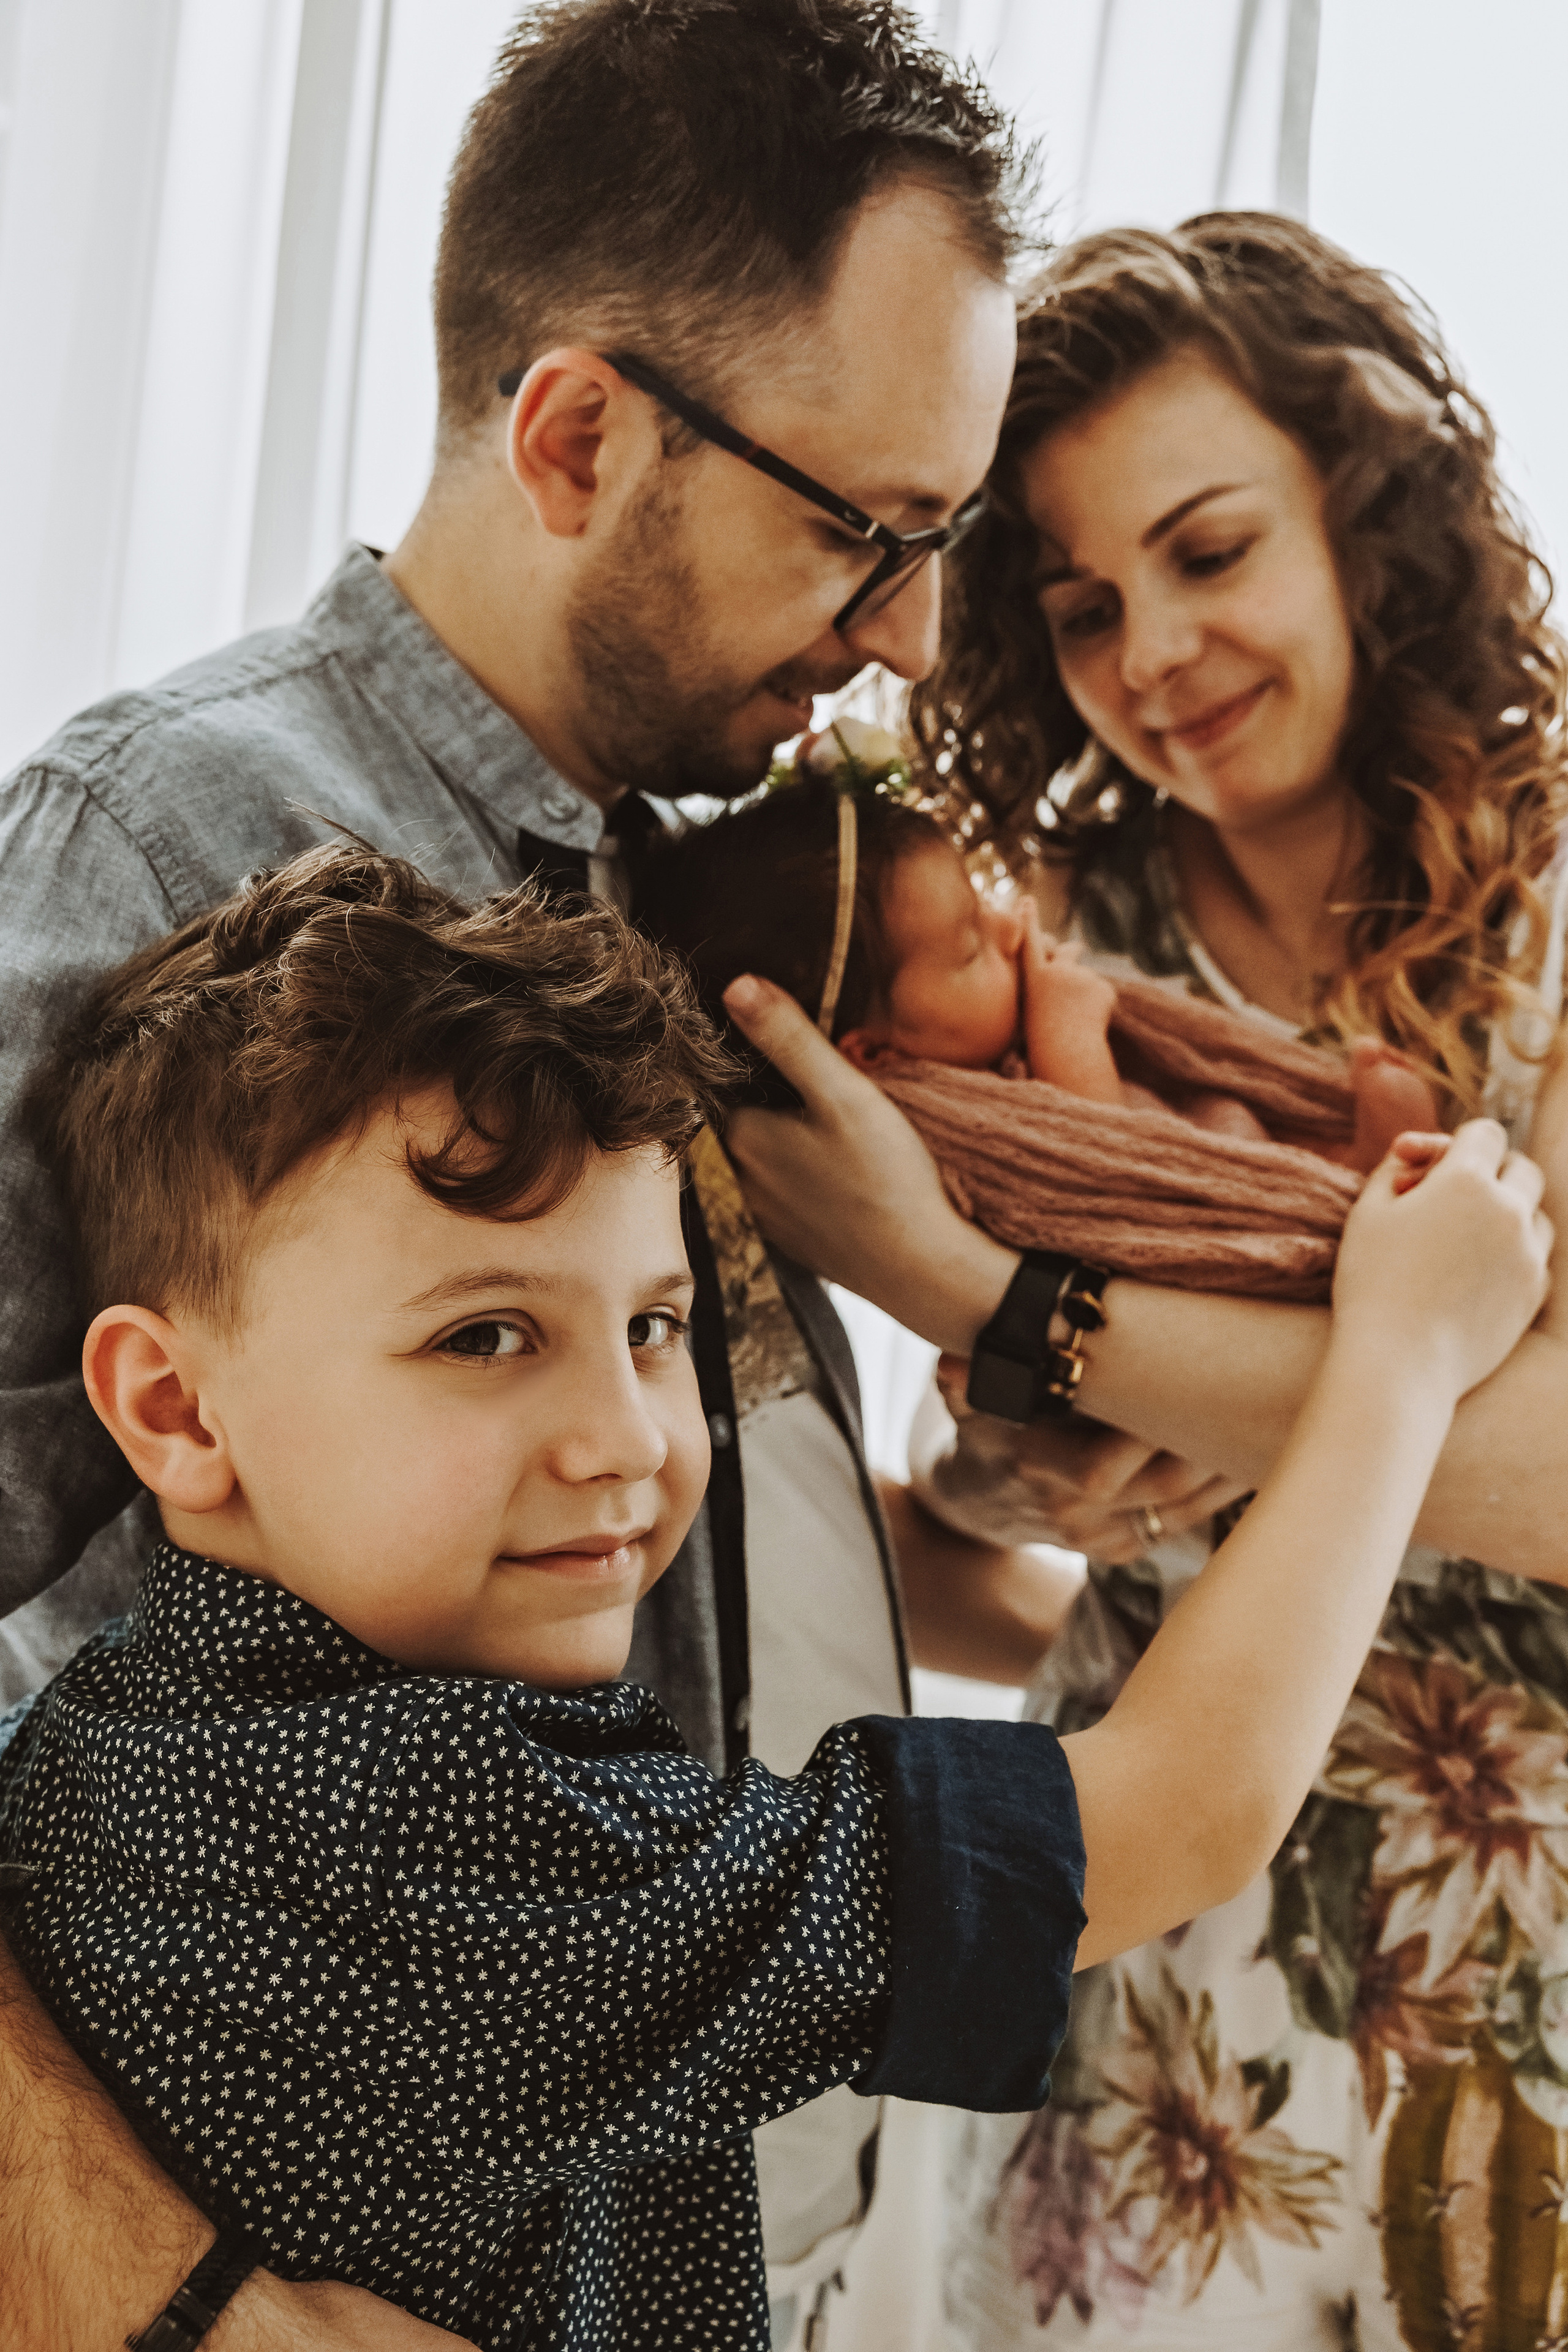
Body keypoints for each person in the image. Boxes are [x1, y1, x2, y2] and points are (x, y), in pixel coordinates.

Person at [0, 7, 1048, 2345]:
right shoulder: (147, 842)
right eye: (862, 534)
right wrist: (155, 2291)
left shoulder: (711, 889)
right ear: (574, 433)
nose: (905, 641)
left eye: (941, 546)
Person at [0, 841, 1550, 2352]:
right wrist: (1401, 1351)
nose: (622, 1438)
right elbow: (1181, 1811)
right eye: (482, 1338)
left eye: (656, 1326)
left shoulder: (112, 1733)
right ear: (175, 1410)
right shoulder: (421, 1818)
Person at [864, 213, 1568, 2342]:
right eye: (1079, 607)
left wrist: (1077, 1339)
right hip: (1156, 1989)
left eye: (1208, 550)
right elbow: (979, 1517)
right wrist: (1036, 1455)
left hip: (1510, 1973)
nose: (1151, 649)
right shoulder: (1039, 955)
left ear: (1367, 515)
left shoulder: (1553, 908)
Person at [638, 771, 1441, 1302]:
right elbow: (1108, 1171)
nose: (1005, 929)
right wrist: (1070, 1031)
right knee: (1218, 1133)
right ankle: (1354, 1198)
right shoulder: (945, 1127)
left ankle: (1347, 1169)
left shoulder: (982, 1052)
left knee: (1223, 1116)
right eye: (966, 949)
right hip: (1173, 1234)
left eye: (981, 902)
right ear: (871, 1054)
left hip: (1190, 1172)